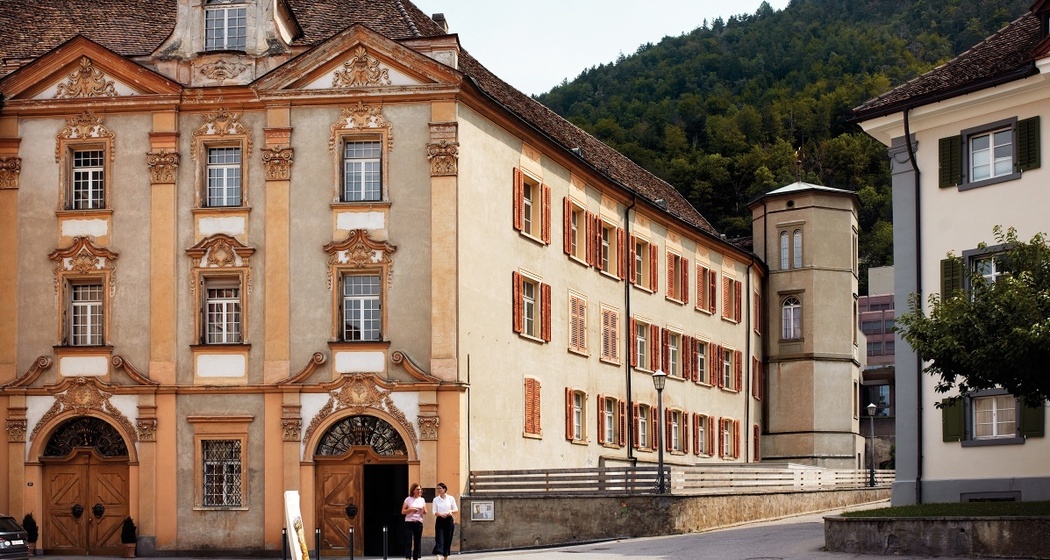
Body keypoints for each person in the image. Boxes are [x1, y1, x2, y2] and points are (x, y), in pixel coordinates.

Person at [431, 482, 458, 560]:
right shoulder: (435, 499)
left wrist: (451, 511)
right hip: (440, 519)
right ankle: (439, 554)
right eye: (437, 488)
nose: (438, 490)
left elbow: (456, 509)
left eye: (440, 488)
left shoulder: (450, 498)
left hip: (449, 519)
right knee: (439, 538)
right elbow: (434, 512)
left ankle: (446, 556)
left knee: (448, 538)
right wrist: (440, 514)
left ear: (444, 489)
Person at [400, 482, 426, 560]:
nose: (419, 491)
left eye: (420, 489)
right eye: (417, 489)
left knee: (417, 542)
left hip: (418, 523)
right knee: (408, 541)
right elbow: (403, 511)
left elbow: (425, 512)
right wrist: (410, 510)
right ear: (413, 490)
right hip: (409, 522)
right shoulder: (408, 499)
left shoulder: (422, 499)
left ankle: (415, 558)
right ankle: (408, 557)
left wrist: (424, 510)